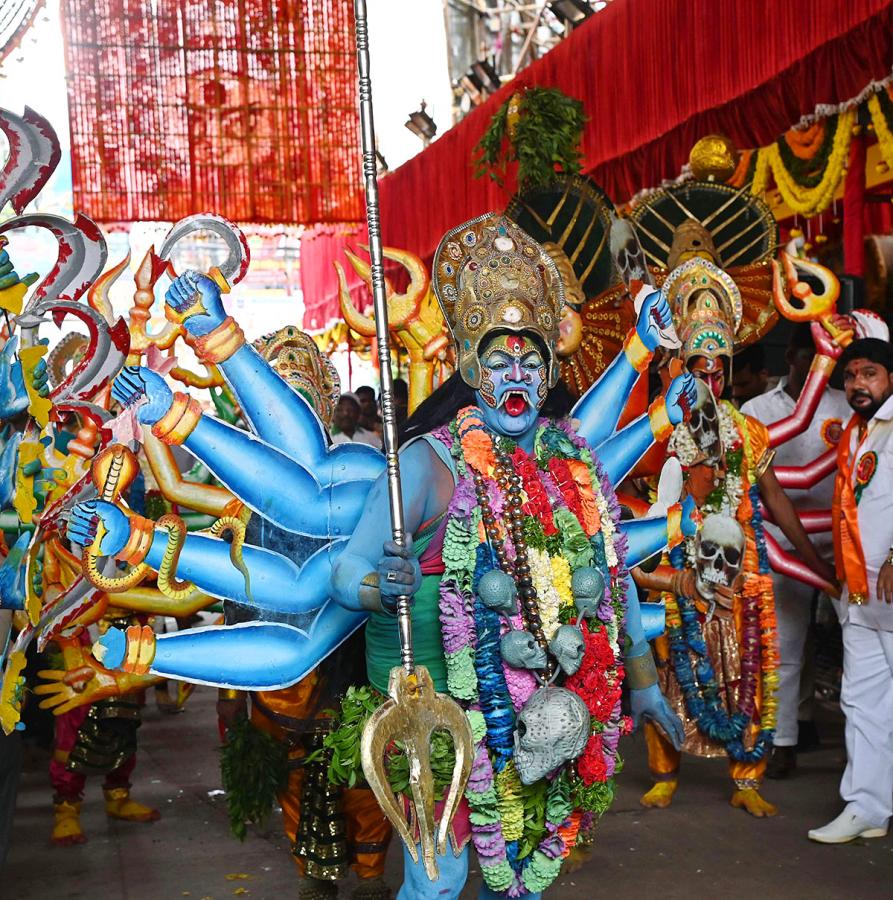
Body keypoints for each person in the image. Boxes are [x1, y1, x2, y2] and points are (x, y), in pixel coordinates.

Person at [741, 324, 851, 777]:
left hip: (844, 537)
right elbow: (768, 486)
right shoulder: (756, 410)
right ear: (792, 355)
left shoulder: (848, 403)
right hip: (781, 537)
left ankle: (863, 751)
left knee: (859, 645)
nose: (820, 369)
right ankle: (782, 741)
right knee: (786, 644)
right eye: (812, 357)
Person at [809, 337, 893, 844]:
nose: (858, 385)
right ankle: (867, 807)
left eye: (870, 374)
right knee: (862, 701)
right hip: (859, 594)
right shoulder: (858, 432)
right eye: (851, 376)